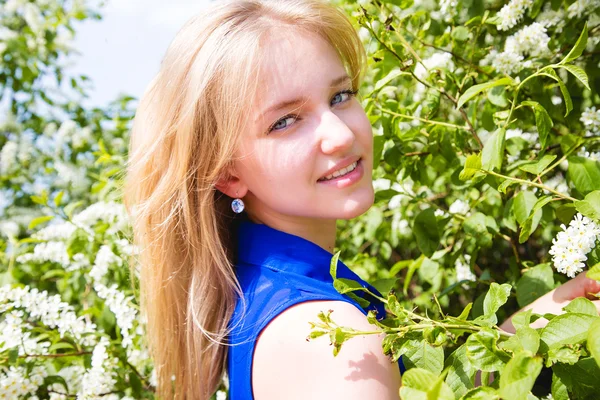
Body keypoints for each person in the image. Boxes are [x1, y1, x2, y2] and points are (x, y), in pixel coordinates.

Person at [123, 0, 600, 399]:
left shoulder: (268, 284)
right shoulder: (331, 341)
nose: (339, 134)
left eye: (340, 95)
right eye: (285, 121)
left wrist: (517, 336)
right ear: (227, 174)